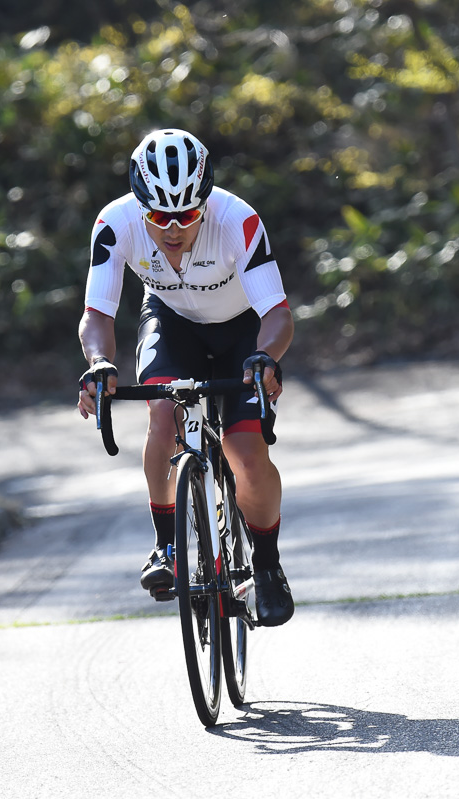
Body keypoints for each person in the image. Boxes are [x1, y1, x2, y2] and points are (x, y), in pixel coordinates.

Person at [76, 128, 295, 627]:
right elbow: (97, 314)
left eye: (188, 216)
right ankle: (166, 546)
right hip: (172, 323)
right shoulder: (115, 222)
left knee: (246, 455)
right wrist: (98, 364)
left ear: (206, 202)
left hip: (243, 331)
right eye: (159, 217)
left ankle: (266, 564)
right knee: (161, 415)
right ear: (139, 206)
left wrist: (265, 359)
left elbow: (278, 315)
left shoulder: (238, 220)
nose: (173, 229)